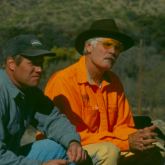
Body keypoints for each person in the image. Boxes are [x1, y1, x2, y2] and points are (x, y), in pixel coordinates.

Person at [36, 19, 165, 165]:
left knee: (155, 149)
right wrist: (126, 142)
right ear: (89, 46)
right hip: (68, 149)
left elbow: (122, 126)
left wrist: (139, 136)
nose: (113, 51)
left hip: (107, 146)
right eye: (108, 44)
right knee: (109, 151)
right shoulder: (64, 81)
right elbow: (70, 135)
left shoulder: (114, 82)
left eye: (118, 47)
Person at [0, 35, 88, 165]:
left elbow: (53, 120)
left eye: (41, 63)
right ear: (11, 63)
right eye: (33, 64)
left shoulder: (30, 92)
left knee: (65, 149)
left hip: (10, 157)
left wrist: (73, 142)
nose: (40, 69)